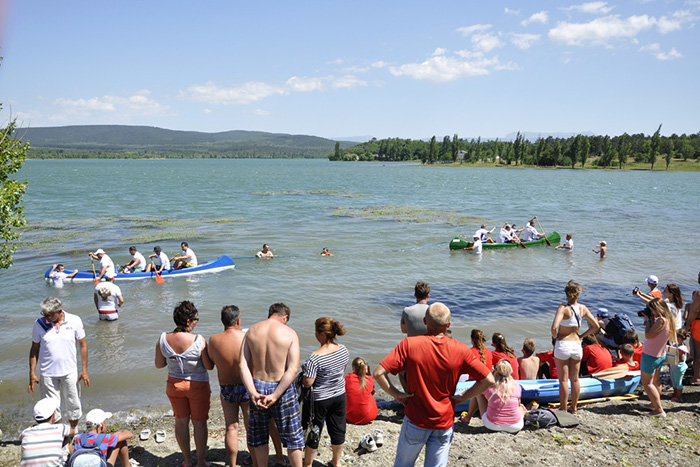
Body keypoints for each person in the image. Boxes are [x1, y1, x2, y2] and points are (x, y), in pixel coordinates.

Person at [374, 303, 494, 467]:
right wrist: (463, 397)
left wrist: (397, 394)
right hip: (444, 421)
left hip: (416, 418)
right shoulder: (460, 349)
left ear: (425, 321)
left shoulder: (409, 344)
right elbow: (488, 379)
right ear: (449, 324)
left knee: (403, 464)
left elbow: (378, 373)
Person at [239, 303, 304, 467]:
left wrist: (252, 392)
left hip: (258, 387)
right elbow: (292, 369)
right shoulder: (289, 333)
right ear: (285, 317)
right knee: (293, 437)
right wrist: (275, 395)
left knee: (260, 436)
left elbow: (242, 365)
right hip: (282, 388)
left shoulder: (252, 331)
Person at [155, 301, 214, 467]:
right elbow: (209, 366)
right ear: (188, 321)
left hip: (174, 386)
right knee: (199, 423)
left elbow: (159, 365)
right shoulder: (198, 340)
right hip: (197, 386)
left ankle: (187, 461)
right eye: (196, 319)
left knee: (181, 422)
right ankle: (201, 462)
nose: (196, 322)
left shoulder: (163, 339)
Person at [29, 297, 89, 429]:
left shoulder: (74, 320)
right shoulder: (39, 324)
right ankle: (57, 434)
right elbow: (34, 349)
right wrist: (32, 373)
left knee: (73, 405)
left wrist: (84, 370)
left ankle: (73, 434)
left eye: (49, 315)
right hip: (47, 374)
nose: (45, 318)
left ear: (60, 311)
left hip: (70, 371)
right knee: (51, 408)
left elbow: (83, 345)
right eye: (43, 314)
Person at [208, 305, 253, 467]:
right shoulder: (247, 337)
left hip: (227, 388)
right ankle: (254, 460)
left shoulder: (213, 340)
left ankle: (232, 464)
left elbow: (210, 364)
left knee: (231, 427)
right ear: (238, 320)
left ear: (222, 321)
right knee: (250, 427)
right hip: (246, 386)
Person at [301, 318, 349, 467]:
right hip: (339, 395)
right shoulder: (343, 350)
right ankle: (336, 462)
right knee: (338, 429)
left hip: (320, 399)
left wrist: (304, 373)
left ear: (322, 334)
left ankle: (307, 464)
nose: (315, 334)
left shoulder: (315, 358)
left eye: (316, 332)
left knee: (313, 431)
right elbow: (342, 370)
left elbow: (308, 383)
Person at [550, 280, 599, 414]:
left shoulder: (563, 308)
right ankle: (574, 407)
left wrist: (555, 337)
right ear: (578, 294)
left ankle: (563, 408)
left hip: (564, 344)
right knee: (575, 379)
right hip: (577, 344)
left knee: (563, 380)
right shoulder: (583, 308)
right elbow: (596, 326)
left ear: (566, 293)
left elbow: (554, 327)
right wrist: (582, 335)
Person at [640, 298, 677, 417]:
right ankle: (654, 403)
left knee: (647, 383)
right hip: (660, 354)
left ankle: (659, 410)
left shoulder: (660, 321)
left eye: (652, 309)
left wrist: (648, 321)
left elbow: (648, 335)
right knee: (656, 381)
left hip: (651, 355)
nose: (651, 311)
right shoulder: (669, 319)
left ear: (657, 309)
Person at [20, 397, 75, 467]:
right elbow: (72, 432)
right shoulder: (60, 428)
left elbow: (21, 438)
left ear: (34, 417)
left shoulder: (26, 432)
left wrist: (32, 426)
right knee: (67, 439)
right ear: (53, 415)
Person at [475, 360, 526, 434]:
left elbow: (478, 389)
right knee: (520, 407)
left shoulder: (489, 386)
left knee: (479, 393)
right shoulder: (516, 385)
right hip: (516, 426)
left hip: (492, 425)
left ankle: (468, 417)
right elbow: (518, 404)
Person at [344, 357, 378, 425]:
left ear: (353, 368)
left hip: (349, 417)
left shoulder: (348, 377)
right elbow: (372, 391)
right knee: (370, 394)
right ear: (366, 368)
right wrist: (369, 375)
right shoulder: (369, 379)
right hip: (367, 417)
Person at [682, 289, 700, 385]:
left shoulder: (699, 293)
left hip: (698, 323)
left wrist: (688, 325)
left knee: (697, 353)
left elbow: (694, 310)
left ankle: (697, 378)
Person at [669, 332, 688, 403]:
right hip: (674, 366)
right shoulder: (675, 345)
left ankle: (678, 396)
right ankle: (675, 393)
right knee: (673, 380)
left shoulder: (682, 348)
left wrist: (673, 359)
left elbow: (682, 359)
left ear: (679, 338)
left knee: (678, 382)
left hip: (679, 367)